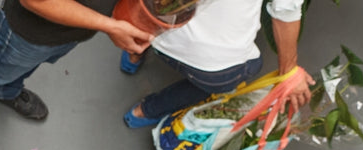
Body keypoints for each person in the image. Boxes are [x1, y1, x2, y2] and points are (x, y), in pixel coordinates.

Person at [0, 0, 152, 149]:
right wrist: (111, 27)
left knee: (22, 66)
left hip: (74, 29)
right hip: (31, 30)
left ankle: (3, 91)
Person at [121, 0, 313, 129]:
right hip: (211, 63)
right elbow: (285, 11)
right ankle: (145, 111)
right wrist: (289, 71)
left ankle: (133, 52)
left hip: (151, 26)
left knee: (142, 18)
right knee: (250, 66)